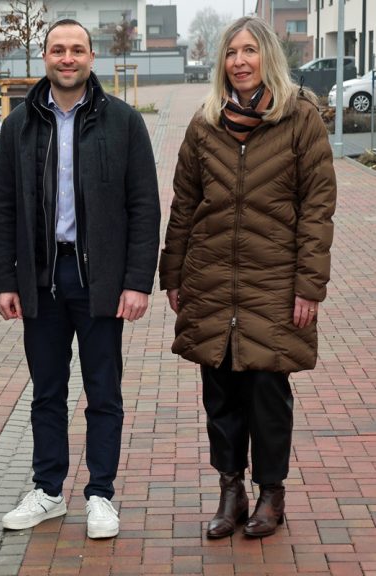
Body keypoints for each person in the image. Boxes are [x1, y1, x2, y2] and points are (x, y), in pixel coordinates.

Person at [159, 16, 335, 539]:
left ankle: (272, 495)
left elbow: (318, 208)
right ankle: (230, 491)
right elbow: (185, 206)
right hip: (211, 281)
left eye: (249, 51)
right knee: (221, 393)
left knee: (267, 390)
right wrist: (173, 273)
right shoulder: (204, 123)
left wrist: (309, 285)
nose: (239, 61)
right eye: (231, 52)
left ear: (268, 58)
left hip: (274, 282)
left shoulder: (300, 118)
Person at [0, 19, 160, 540]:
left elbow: (144, 207)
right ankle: (47, 491)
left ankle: (101, 496)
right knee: (47, 391)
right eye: (58, 49)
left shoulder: (123, 121)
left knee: (103, 391)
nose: (67, 58)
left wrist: (137, 281)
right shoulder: (19, 124)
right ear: (44, 57)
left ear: (92, 57)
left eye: (77, 50)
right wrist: (5, 279)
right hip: (42, 276)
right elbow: (2, 208)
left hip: (101, 279)